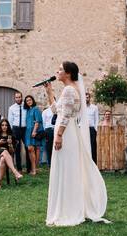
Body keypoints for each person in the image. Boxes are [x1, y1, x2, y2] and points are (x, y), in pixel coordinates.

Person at [43, 61, 108, 225]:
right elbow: (56, 111)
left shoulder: (70, 90)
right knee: (64, 168)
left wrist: (58, 135)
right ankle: (65, 207)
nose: (57, 71)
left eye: (60, 69)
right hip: (65, 130)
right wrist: (49, 92)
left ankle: (69, 210)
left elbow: (65, 116)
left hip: (66, 133)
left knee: (67, 169)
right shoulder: (69, 90)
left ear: (68, 73)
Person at [0, 119, 22, 190]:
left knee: (3, 158)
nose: (4, 127)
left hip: (6, 158)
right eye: (2, 125)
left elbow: (12, 151)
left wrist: (10, 144)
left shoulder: (11, 136)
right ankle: (15, 172)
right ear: (0, 126)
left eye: (6, 125)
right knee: (4, 151)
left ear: (8, 126)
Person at [22, 95, 43, 176]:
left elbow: (38, 121)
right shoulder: (27, 110)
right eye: (27, 101)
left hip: (34, 130)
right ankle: (33, 168)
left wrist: (34, 131)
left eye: (30, 100)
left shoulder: (36, 109)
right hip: (27, 131)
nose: (29, 101)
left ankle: (35, 169)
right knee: (30, 149)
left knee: (35, 149)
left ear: (32, 100)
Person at [7, 91, 27, 173]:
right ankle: (19, 169)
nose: (18, 99)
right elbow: (10, 121)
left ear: (21, 97)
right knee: (17, 150)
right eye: (16, 97)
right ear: (14, 98)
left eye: (19, 97)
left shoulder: (26, 107)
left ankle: (29, 168)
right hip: (16, 129)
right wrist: (11, 133)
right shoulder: (11, 108)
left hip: (25, 129)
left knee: (27, 147)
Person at [85, 91, 100, 163]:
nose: (86, 99)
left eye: (87, 97)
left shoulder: (94, 107)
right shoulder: (81, 108)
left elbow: (97, 119)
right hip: (83, 129)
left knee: (93, 147)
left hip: (91, 129)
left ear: (89, 98)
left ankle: (94, 164)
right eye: (85, 98)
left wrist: (95, 129)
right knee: (84, 147)